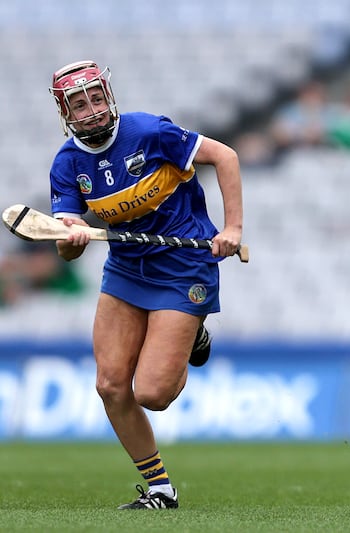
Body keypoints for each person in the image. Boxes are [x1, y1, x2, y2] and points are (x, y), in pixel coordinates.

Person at [48, 60, 244, 508]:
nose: (92, 109)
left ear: (109, 96)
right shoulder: (67, 163)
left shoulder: (150, 132)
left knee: (152, 394)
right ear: (65, 113)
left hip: (184, 265)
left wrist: (231, 228)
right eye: (79, 103)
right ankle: (161, 489)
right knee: (110, 385)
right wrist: (71, 237)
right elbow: (67, 246)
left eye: (96, 97)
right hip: (126, 270)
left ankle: (193, 331)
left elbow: (226, 156)